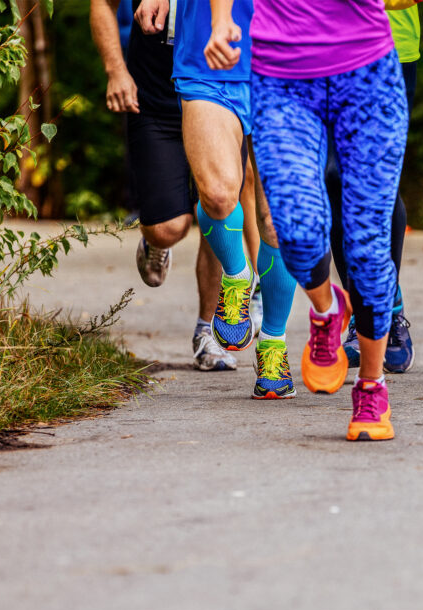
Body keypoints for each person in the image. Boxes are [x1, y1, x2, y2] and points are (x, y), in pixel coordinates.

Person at [207, 0, 408, 440]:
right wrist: (221, 22)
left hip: (368, 73)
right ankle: (327, 308)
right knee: (292, 230)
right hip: (282, 78)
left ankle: (372, 387)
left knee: (368, 248)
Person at [136, 0, 300, 399]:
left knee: (278, 218)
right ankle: (237, 276)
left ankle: (273, 345)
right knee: (218, 193)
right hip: (207, 52)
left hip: (291, 58)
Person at [90, 0, 236, 372]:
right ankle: (155, 241)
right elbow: (102, 5)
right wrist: (116, 71)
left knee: (218, 204)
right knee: (170, 227)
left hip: (215, 93)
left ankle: (208, 332)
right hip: (155, 102)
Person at [327, 4, 421, 375]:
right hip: (321, 46)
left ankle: (385, 312)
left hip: (391, 44)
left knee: (378, 181)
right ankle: (362, 309)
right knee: (334, 178)